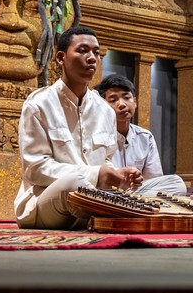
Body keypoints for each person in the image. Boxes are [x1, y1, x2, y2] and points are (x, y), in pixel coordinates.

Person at [14, 25, 143, 229]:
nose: (92, 58)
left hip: (94, 198)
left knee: (173, 184)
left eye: (97, 53)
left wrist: (118, 175)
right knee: (73, 183)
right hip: (47, 201)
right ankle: (115, 214)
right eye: (83, 50)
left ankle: (108, 213)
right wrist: (96, 175)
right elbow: (35, 168)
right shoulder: (38, 104)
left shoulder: (105, 110)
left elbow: (106, 159)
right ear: (60, 58)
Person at [94, 74, 186, 195]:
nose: (121, 104)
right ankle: (124, 202)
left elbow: (152, 180)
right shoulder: (96, 134)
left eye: (127, 98)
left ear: (135, 102)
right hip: (106, 192)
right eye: (113, 100)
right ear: (103, 106)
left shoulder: (145, 137)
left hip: (137, 193)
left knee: (176, 183)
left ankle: (126, 202)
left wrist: (137, 182)